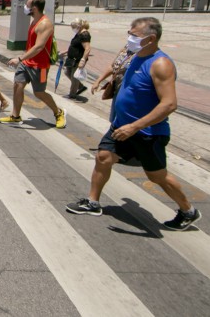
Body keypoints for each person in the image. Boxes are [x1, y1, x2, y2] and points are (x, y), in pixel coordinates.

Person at [66, 17, 201, 231]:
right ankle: (93, 202)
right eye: (129, 33)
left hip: (148, 131)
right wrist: (103, 81)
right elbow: (121, 73)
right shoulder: (136, 55)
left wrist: (135, 126)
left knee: (156, 176)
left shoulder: (161, 64)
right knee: (103, 157)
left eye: (134, 35)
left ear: (151, 38)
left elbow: (169, 104)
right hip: (121, 126)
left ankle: (188, 211)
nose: (129, 38)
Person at [0, 0, 67, 129]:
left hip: (40, 66)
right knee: (18, 85)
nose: (25, 7)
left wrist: (19, 58)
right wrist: (23, 60)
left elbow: (39, 47)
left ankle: (58, 112)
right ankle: (15, 116)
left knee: (39, 93)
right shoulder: (34, 21)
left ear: (34, 8)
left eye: (28, 5)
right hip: (27, 63)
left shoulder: (45, 24)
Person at [91, 45, 135, 122]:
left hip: (130, 94)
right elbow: (113, 66)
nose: (130, 37)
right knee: (114, 119)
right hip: (117, 90)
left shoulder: (144, 54)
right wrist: (98, 81)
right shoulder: (126, 48)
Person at [63, 18, 92, 99]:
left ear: (79, 26)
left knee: (74, 76)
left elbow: (87, 48)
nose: (73, 29)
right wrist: (65, 52)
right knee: (67, 72)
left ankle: (72, 94)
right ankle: (81, 86)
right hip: (72, 59)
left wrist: (83, 60)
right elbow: (75, 45)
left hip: (78, 59)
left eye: (74, 27)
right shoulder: (79, 33)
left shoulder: (84, 35)